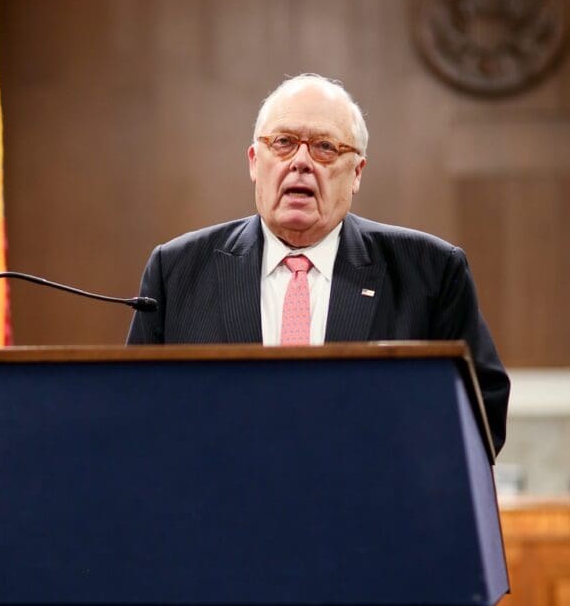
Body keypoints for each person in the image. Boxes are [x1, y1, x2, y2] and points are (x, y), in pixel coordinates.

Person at [127, 73, 510, 453]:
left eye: (325, 147)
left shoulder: (430, 272)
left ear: (357, 172)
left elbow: (482, 413)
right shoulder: (176, 272)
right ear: (254, 162)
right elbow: (135, 418)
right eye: (284, 143)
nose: (301, 162)